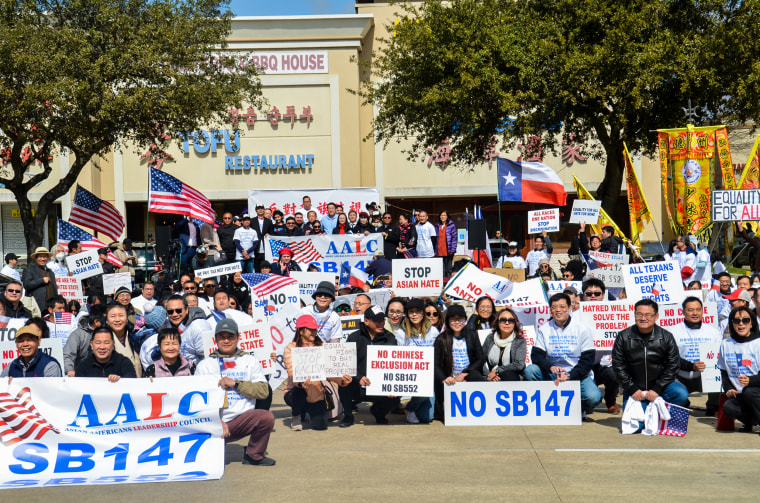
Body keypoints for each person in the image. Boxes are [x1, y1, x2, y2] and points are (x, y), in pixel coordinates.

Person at [195, 318, 276, 466]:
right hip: (214, 424)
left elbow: (264, 391)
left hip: (242, 420)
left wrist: (236, 384)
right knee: (211, 463)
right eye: (222, 337)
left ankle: (254, 455)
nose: (226, 341)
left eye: (230, 337)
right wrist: (216, 421)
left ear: (238, 338)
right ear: (215, 339)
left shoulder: (250, 361)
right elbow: (197, 402)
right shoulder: (204, 365)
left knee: (266, 417)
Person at [525, 293, 602, 418]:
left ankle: (577, 409)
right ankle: (544, 406)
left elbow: (587, 361)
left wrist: (570, 376)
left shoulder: (582, 329)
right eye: (554, 307)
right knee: (531, 370)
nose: (558, 310)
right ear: (550, 310)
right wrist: (550, 367)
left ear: (570, 308)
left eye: (562, 306)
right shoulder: (544, 329)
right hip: (552, 373)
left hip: (576, 374)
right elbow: (536, 356)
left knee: (594, 397)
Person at [612, 299, 689, 418]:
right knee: (637, 426)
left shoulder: (666, 337)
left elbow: (673, 365)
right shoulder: (623, 337)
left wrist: (658, 389)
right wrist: (632, 388)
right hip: (635, 390)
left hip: (661, 387)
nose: (643, 318)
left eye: (648, 314)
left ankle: (663, 416)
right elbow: (618, 366)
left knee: (681, 394)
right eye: (639, 314)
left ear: (656, 316)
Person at [339, 305, 399, 427]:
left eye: (383, 320)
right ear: (366, 321)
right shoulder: (354, 338)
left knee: (396, 398)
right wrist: (358, 377)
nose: (381, 323)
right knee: (344, 382)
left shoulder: (390, 338)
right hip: (357, 384)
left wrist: (392, 385)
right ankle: (348, 416)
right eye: (377, 321)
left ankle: (379, 413)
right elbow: (346, 363)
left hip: (380, 386)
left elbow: (394, 365)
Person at [284, 315, 345, 431]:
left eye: (315, 329)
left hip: (317, 393)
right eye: (310, 329)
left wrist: (341, 380)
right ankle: (296, 414)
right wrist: (299, 381)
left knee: (321, 426)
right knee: (300, 392)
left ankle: (310, 411)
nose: (314, 332)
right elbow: (291, 370)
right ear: (300, 331)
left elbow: (330, 370)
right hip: (297, 391)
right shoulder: (290, 348)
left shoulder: (321, 347)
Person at [434, 305, 486, 421]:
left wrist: (464, 374)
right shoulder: (441, 339)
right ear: (448, 321)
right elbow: (436, 364)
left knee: (476, 376)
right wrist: (445, 378)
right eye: (453, 319)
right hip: (449, 380)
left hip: (467, 376)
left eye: (460, 319)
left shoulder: (472, 335)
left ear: (465, 320)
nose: (457, 322)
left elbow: (480, 358)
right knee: (448, 416)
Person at [672, 296, 722, 416]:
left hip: (705, 377)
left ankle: (713, 406)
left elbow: (719, 356)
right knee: (678, 396)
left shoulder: (713, 332)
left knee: (719, 375)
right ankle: (683, 402)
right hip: (680, 375)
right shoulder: (673, 331)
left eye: (698, 309)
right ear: (683, 312)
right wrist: (691, 366)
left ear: (702, 311)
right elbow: (671, 359)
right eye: (690, 310)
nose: (695, 313)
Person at [394, 298, 439, 424]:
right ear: (407, 314)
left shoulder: (433, 331)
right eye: (411, 311)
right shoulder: (401, 333)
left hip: (429, 375)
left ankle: (410, 406)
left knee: (427, 418)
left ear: (423, 313)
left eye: (418, 311)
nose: (414, 314)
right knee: (425, 394)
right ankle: (411, 408)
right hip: (411, 376)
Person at [718, 305, 760, 432]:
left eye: (745, 320)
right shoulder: (726, 344)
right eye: (736, 321)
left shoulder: (758, 343)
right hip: (741, 394)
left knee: (749, 392)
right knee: (729, 408)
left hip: (756, 392)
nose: (741, 324)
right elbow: (723, 371)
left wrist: (750, 381)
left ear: (752, 323)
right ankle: (751, 422)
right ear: (731, 324)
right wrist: (728, 387)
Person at [582, 277, 619, 413]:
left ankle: (611, 400)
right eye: (589, 293)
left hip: (604, 364)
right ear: (583, 295)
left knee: (614, 373)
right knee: (590, 400)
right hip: (584, 364)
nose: (593, 296)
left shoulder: (615, 313)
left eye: (597, 293)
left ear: (603, 296)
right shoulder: (576, 314)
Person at [483, 307, 526, 382]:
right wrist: (489, 375)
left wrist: (497, 371)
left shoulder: (520, 340)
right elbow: (481, 360)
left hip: (511, 376)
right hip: (490, 376)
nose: (507, 323)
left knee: (508, 375)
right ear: (498, 322)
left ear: (515, 324)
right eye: (503, 320)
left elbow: (519, 364)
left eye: (511, 320)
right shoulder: (490, 338)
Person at [22, 246, 58, 314]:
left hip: (51, 307)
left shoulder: (50, 272)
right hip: (36, 306)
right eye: (40, 257)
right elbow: (26, 285)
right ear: (36, 258)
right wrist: (41, 280)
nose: (42, 259)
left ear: (48, 258)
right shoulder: (29, 270)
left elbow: (55, 288)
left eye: (45, 257)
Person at [251, 204, 274, 272]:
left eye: (261, 208)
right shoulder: (252, 221)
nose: (260, 210)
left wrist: (269, 234)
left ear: (264, 210)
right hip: (255, 249)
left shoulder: (269, 221)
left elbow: (272, 233)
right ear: (256, 210)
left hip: (265, 249)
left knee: (265, 267)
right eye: (258, 208)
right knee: (256, 267)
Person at [435, 210, 458, 277]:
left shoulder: (451, 225)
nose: (442, 217)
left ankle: (447, 283)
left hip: (448, 250)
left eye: (444, 215)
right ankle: (441, 283)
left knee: (448, 268)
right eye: (441, 215)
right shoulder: (437, 225)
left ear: (447, 216)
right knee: (440, 268)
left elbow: (454, 238)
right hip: (439, 250)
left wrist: (453, 249)